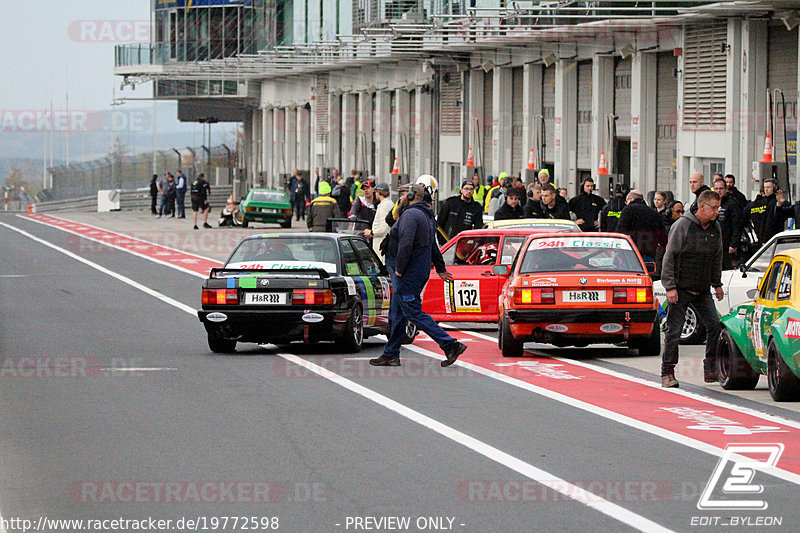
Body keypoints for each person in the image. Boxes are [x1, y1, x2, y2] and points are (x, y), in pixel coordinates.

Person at [369, 182, 467, 368]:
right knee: (398, 313)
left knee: (412, 311)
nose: (402, 196)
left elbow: (406, 244)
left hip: (407, 272)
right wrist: (440, 268)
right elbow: (432, 246)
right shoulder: (425, 215)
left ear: (413, 195)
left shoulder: (411, 215)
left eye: (405, 193)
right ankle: (391, 354)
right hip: (416, 270)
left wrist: (399, 268)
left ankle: (449, 344)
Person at [659, 190, 724, 388]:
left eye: (718, 208)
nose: (716, 212)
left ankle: (710, 367)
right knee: (674, 331)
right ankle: (667, 372)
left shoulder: (715, 228)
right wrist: (670, 287)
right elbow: (668, 258)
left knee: (714, 325)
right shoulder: (683, 226)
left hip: (702, 289)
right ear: (702, 207)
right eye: (713, 208)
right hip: (680, 288)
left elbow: (716, 258)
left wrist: (717, 284)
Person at [616, 190, 667, 263]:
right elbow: (663, 237)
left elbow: (620, 231)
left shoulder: (628, 210)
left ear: (630, 199)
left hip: (629, 253)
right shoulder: (654, 213)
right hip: (649, 253)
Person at [437, 179, 484, 244]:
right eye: (466, 189)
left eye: (471, 189)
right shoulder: (451, 202)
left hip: (463, 245)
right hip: (447, 243)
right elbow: (439, 223)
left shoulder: (476, 207)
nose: (469, 191)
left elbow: (478, 228)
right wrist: (441, 242)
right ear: (461, 190)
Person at [712, 176, 743, 270]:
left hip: (728, 246)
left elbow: (737, 225)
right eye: (716, 189)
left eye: (721, 188)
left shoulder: (732, 203)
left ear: (726, 189)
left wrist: (734, 244)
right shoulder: (712, 204)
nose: (718, 191)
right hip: (715, 245)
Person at [368, 182, 394, 255]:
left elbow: (384, 227)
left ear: (378, 192)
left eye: (376, 192)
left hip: (381, 242)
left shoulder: (384, 206)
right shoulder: (390, 203)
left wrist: (371, 232)